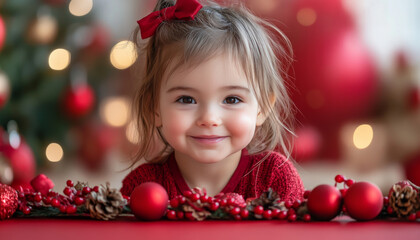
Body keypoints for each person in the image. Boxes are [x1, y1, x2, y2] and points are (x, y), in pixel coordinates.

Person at [121, 0, 304, 201]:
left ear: (262, 107)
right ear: (153, 108)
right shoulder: (144, 188)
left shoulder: (275, 178)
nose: (209, 119)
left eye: (232, 99)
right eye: (187, 99)